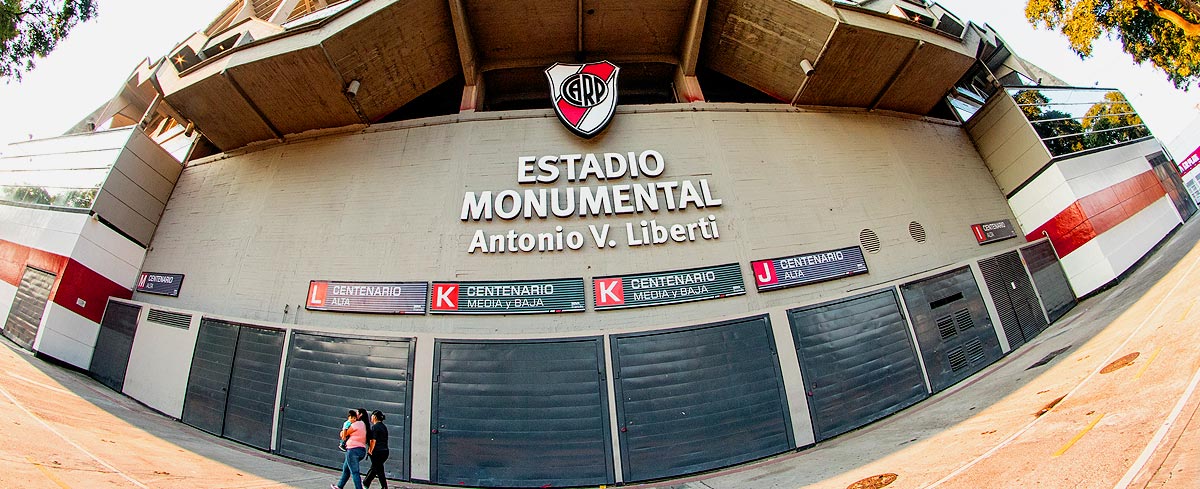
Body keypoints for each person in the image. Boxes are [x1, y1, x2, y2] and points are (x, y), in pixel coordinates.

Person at [331, 409, 367, 489]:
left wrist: (342, 431)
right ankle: (339, 486)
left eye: (356, 414)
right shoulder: (363, 424)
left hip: (353, 450)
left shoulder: (354, 425)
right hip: (361, 450)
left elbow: (343, 434)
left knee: (354, 472)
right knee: (346, 469)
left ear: (360, 415)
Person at [362, 410, 389, 489]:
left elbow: (373, 440)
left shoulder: (375, 427)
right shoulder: (384, 427)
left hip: (377, 451)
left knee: (377, 469)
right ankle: (368, 483)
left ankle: (366, 482)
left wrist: (370, 450)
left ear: (374, 417)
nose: (371, 417)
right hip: (385, 451)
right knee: (377, 468)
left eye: (372, 416)